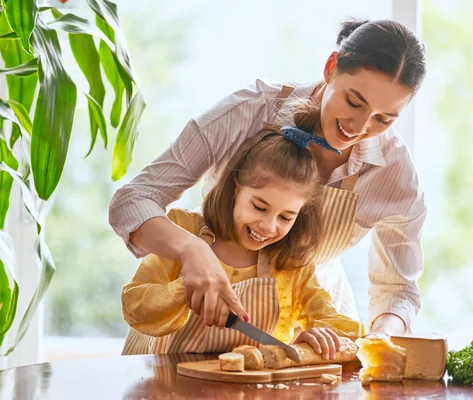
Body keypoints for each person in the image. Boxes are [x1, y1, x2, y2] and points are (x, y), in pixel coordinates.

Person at [109, 18, 427, 337]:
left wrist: (380, 339)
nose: (359, 127)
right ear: (331, 67)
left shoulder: (394, 173)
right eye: (354, 102)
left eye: (383, 119)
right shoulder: (250, 110)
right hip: (184, 328)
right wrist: (192, 250)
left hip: (306, 340)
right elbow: (133, 200)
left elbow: (398, 291)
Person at [120, 127, 364, 356]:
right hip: (167, 385)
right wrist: (185, 290)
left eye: (286, 217)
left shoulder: (292, 265)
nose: (268, 226)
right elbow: (134, 305)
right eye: (259, 207)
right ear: (236, 188)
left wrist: (317, 337)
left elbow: (344, 328)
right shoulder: (184, 229)